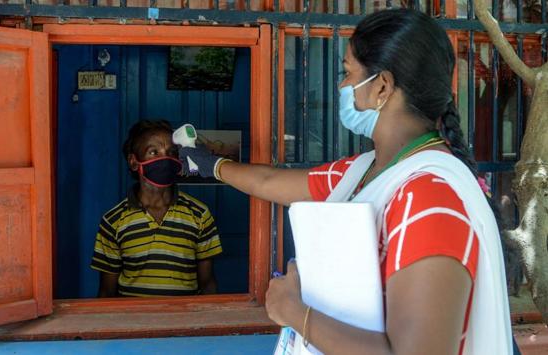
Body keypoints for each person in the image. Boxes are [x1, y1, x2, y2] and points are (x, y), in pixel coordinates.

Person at [179, 9, 512, 354]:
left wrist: (294, 312)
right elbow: (268, 181)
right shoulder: (364, 172)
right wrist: (212, 165)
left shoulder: (430, 197)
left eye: (348, 72)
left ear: (382, 85)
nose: (342, 85)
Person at [90, 120, 223, 297]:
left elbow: (207, 284)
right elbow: (107, 291)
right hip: (134, 322)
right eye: (154, 152)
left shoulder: (199, 214)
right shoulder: (113, 220)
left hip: (184, 320)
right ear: (134, 162)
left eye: (172, 152)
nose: (165, 158)